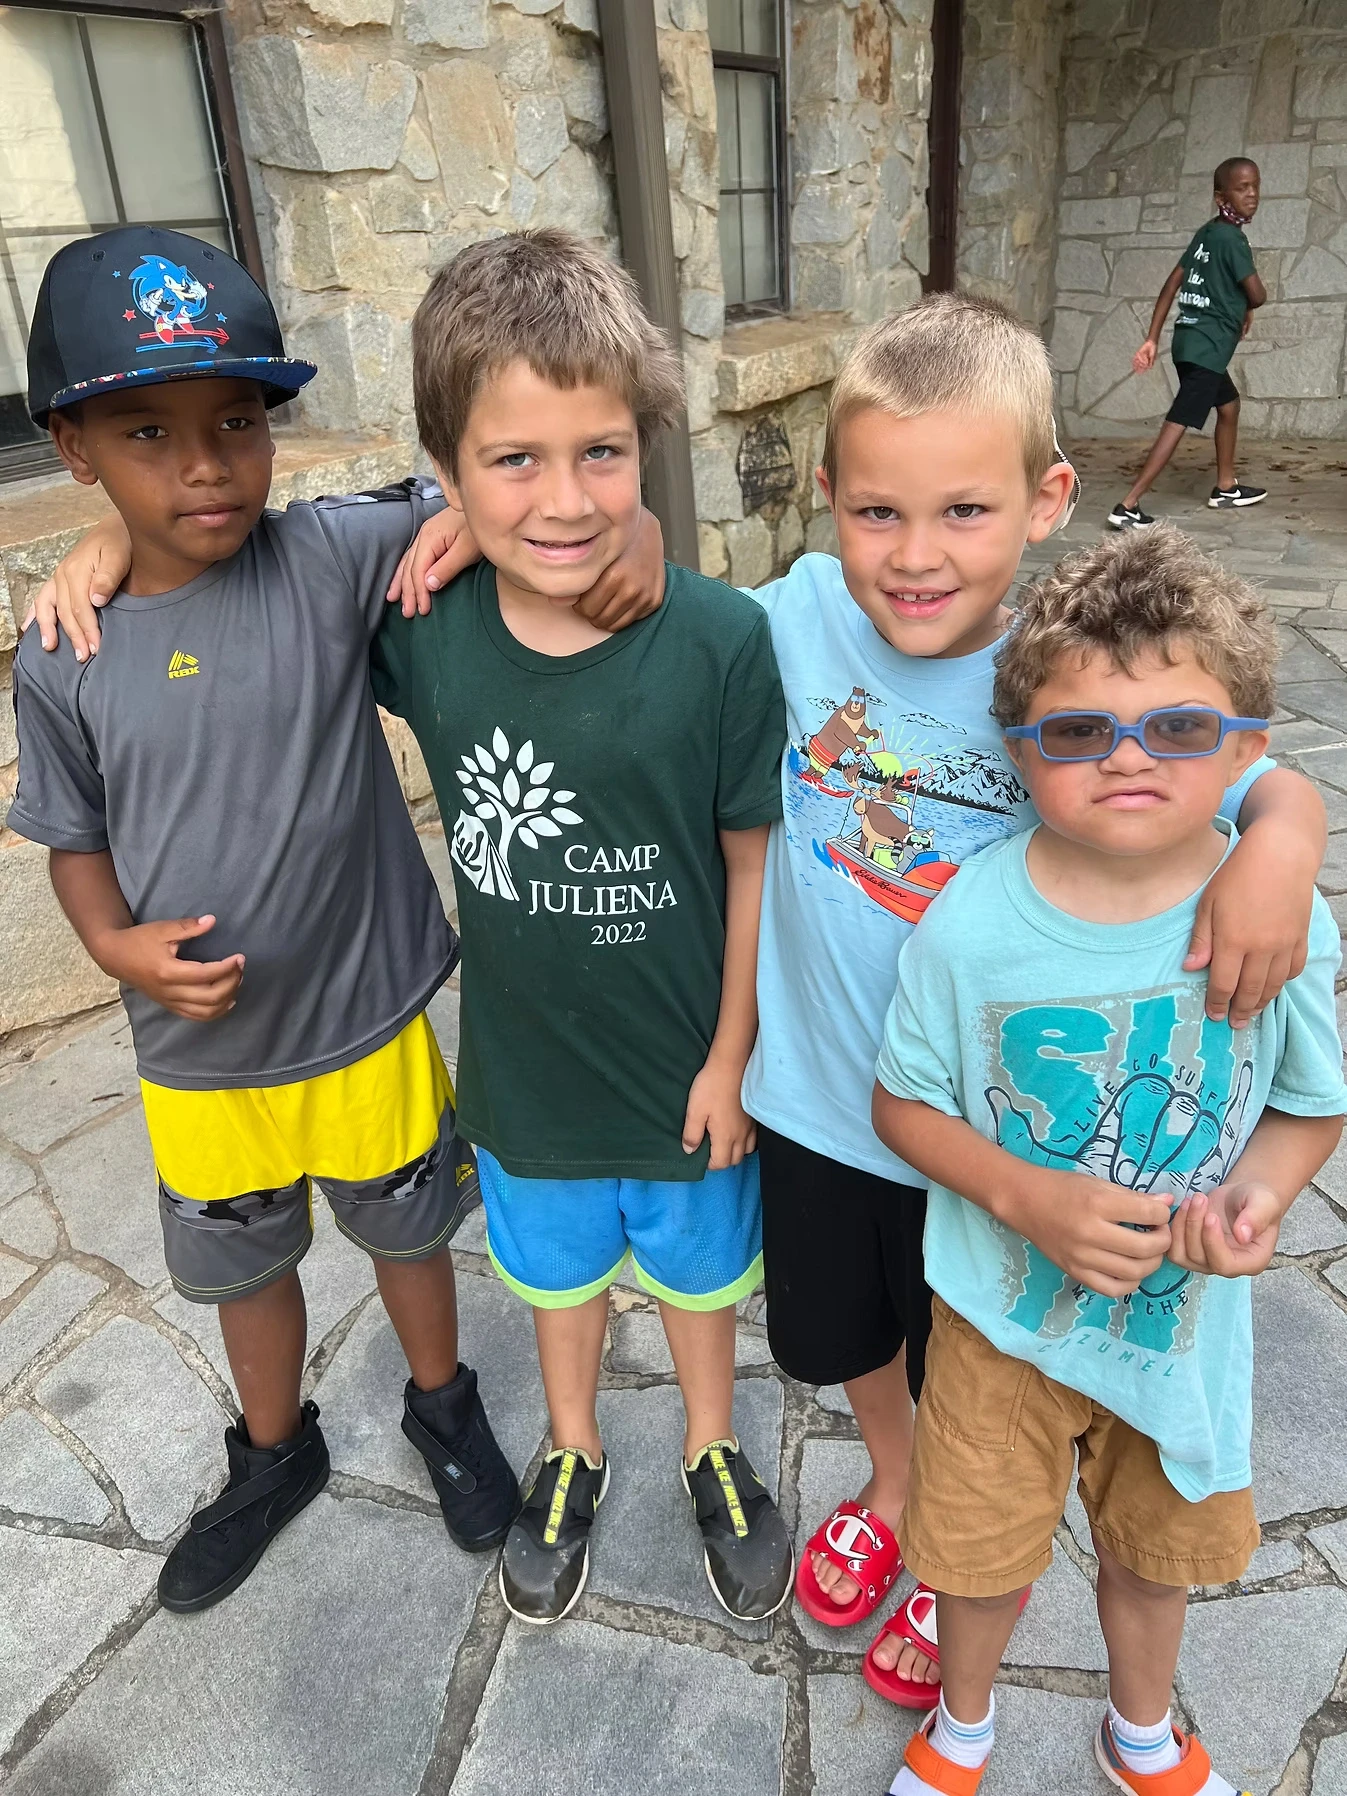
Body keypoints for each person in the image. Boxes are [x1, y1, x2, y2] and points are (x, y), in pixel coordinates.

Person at [8, 226, 520, 1613]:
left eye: (236, 424)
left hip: (363, 1011)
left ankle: (442, 1406)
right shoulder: (64, 654)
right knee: (246, 1267)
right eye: (149, 433)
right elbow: (71, 838)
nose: (204, 465)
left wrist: (511, 508)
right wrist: (113, 945)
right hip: (203, 1060)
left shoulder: (331, 556)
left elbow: (486, 492)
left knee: (406, 1234)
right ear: (73, 445)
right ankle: (274, 1450)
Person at [872, 523, 1345, 1796]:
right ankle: (963, 1722)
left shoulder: (1278, 911)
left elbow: (1310, 1105)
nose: (1129, 755)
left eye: (1180, 727)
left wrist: (1258, 1198)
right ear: (1021, 751)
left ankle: (1142, 1728)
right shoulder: (971, 924)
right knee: (977, 1554)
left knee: (1154, 1551)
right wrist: (1027, 1195)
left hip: (1185, 1332)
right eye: (1079, 732)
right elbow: (902, 1106)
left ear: (1249, 747)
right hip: (997, 1326)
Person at [369, 232, 794, 1626]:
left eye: (602, 455)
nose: (564, 499)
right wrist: (115, 537)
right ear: (446, 467)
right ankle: (572, 1448)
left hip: (682, 1065)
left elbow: (748, 864)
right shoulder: (420, 630)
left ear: (644, 449)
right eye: (513, 461)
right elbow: (242, 551)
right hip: (525, 1076)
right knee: (552, 1277)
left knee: (698, 1275)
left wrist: (730, 1054)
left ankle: (710, 1443)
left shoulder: (722, 640)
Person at [1108, 158, 1267, 530]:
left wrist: (1151, 338)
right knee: (1179, 420)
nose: (1252, 195)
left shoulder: (1207, 234)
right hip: (1208, 349)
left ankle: (1225, 486)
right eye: (1242, 188)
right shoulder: (1232, 239)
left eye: (1256, 186)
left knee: (1228, 406)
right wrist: (1249, 303)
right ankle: (1128, 504)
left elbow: (1170, 285)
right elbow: (1257, 294)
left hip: (1188, 343)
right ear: (1220, 196)